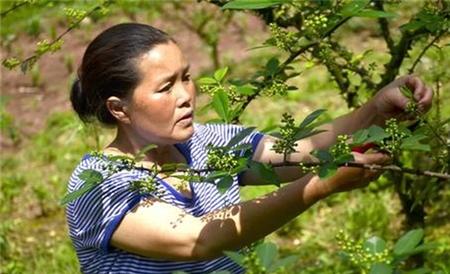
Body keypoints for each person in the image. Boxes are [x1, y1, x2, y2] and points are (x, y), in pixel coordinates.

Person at [66, 23, 433, 274]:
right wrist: (320, 186)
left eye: (187, 77)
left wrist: (376, 110)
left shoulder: (206, 143)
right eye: (166, 88)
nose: (186, 96)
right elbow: (196, 240)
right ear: (119, 108)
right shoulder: (101, 183)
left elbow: (306, 150)